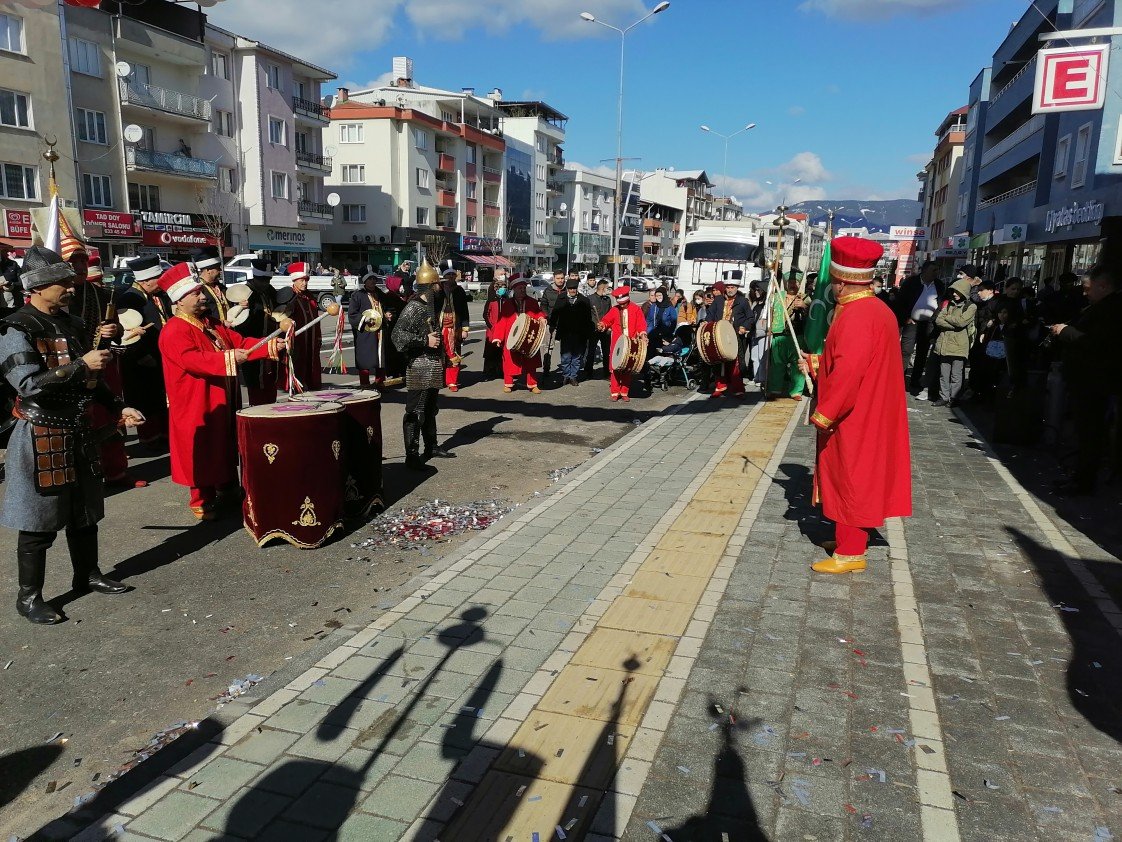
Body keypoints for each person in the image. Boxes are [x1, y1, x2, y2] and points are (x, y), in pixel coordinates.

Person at [0, 247, 143, 624]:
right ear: (39, 287)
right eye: (62, 282)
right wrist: (81, 364)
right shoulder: (15, 327)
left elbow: (92, 381)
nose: (70, 287)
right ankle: (29, 597)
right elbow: (28, 383)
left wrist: (116, 406)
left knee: (85, 512)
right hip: (40, 433)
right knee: (38, 521)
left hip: (80, 430)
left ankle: (88, 575)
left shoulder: (74, 324)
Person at [797, 236, 911, 574]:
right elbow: (853, 362)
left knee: (852, 476)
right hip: (870, 408)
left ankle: (851, 553)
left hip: (856, 414)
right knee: (854, 474)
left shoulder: (857, 315)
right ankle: (848, 539)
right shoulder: (874, 310)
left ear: (843, 282)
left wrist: (825, 411)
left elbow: (848, 373)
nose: (832, 287)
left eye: (833, 281)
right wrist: (818, 364)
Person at [158, 262, 283, 520]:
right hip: (195, 400)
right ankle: (202, 499)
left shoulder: (210, 323)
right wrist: (230, 357)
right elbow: (194, 360)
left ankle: (226, 486)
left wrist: (271, 344)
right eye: (196, 293)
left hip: (221, 395)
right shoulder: (174, 330)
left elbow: (240, 343)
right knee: (203, 447)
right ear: (179, 301)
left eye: (201, 292)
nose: (203, 296)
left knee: (224, 441)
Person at [1049, 263, 1122, 496]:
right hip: (1085, 380)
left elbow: (1096, 344)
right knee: (1084, 432)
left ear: (1103, 286)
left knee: (1090, 433)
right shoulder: (1097, 307)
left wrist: (1065, 332)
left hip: (1095, 383)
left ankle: (1084, 480)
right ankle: (1079, 475)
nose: (1084, 293)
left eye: (1088, 288)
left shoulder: (1112, 310)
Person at [391, 261, 452, 469]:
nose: (440, 287)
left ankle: (431, 446)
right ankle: (411, 455)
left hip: (433, 364)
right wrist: (425, 341)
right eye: (438, 284)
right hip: (419, 366)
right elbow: (397, 335)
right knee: (415, 411)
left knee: (430, 408)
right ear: (431, 285)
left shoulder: (430, 305)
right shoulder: (414, 307)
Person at [114, 255, 171, 451]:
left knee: (159, 397)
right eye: (158, 279)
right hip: (139, 358)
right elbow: (126, 331)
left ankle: (164, 435)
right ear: (145, 280)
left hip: (158, 354)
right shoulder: (130, 298)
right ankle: (150, 439)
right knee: (144, 399)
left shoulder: (158, 296)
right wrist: (139, 355)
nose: (161, 282)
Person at [235, 260, 285, 405]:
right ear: (255, 278)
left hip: (271, 343)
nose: (265, 283)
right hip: (252, 343)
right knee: (255, 381)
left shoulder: (269, 290)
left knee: (271, 380)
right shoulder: (245, 293)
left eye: (268, 280)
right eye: (262, 280)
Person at [895, 260, 944, 397]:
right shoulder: (911, 283)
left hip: (928, 323)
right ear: (925, 270)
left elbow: (941, 303)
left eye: (937, 270)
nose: (936, 273)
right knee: (906, 350)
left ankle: (915, 380)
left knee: (922, 353)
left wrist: (935, 318)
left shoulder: (939, 285)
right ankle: (900, 378)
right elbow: (901, 301)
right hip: (912, 322)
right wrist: (906, 318)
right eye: (933, 270)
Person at [348, 272, 399, 388]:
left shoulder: (380, 294)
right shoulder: (358, 295)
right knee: (364, 358)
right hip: (365, 332)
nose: (372, 281)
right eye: (369, 279)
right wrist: (364, 319)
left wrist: (388, 314)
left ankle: (380, 382)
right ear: (365, 281)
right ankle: (365, 384)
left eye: (374, 279)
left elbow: (388, 307)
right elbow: (352, 314)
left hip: (380, 331)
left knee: (380, 357)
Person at [931, 277, 977, 407]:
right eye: (953, 292)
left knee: (956, 375)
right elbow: (939, 320)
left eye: (958, 292)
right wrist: (954, 322)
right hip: (945, 343)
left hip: (959, 345)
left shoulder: (971, 306)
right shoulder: (949, 304)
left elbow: (962, 322)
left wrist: (948, 319)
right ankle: (943, 396)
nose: (955, 294)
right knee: (944, 374)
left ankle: (954, 397)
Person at [597, 286, 647, 402]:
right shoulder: (615, 310)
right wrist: (602, 325)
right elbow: (607, 321)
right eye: (621, 303)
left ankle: (624, 391)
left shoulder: (636, 309)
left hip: (631, 343)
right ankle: (614, 392)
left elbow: (641, 324)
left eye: (624, 303)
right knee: (615, 368)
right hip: (617, 343)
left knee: (627, 368)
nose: (623, 305)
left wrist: (643, 334)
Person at [495, 279, 546, 393]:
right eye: (520, 288)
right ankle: (508, 383)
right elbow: (502, 320)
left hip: (529, 334)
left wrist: (541, 318)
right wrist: (498, 337)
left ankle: (533, 384)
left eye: (524, 288)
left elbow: (538, 312)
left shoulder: (532, 302)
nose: (523, 290)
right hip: (511, 336)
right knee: (509, 360)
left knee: (531, 358)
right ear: (514, 290)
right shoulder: (507, 303)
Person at [706, 274, 752, 398]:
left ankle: (738, 388)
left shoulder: (742, 301)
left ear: (737, 287)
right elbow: (710, 314)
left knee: (735, 362)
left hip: (735, 335)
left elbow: (750, 317)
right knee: (718, 361)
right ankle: (720, 386)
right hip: (719, 334)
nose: (730, 289)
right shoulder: (718, 300)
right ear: (725, 288)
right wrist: (707, 323)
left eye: (733, 287)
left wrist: (744, 327)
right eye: (728, 287)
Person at [767, 275, 808, 401]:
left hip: (798, 335)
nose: (792, 284)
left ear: (800, 283)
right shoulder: (777, 295)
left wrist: (804, 307)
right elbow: (769, 312)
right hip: (779, 335)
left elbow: (814, 315)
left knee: (798, 364)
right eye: (790, 281)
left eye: (795, 281)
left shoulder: (805, 297)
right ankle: (775, 389)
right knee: (777, 364)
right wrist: (768, 325)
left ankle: (796, 391)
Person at [549, 277, 594, 386]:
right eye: (570, 288)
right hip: (565, 332)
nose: (572, 290)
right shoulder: (561, 298)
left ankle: (573, 376)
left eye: (574, 288)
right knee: (565, 355)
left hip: (579, 333)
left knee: (577, 356)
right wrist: (552, 325)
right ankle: (566, 375)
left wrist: (588, 332)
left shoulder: (584, 300)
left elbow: (588, 318)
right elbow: (555, 313)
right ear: (567, 289)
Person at [433, 261, 470, 391]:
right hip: (439, 328)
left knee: (454, 355)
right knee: (438, 355)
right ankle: (439, 379)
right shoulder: (437, 289)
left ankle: (452, 381)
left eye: (452, 275)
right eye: (448, 275)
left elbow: (464, 311)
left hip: (455, 328)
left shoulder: (459, 291)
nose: (450, 277)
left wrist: (465, 328)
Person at [286, 262, 323, 391]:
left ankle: (314, 390)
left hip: (311, 340)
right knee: (298, 368)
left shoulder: (310, 296)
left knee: (312, 368)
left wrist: (318, 337)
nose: (305, 283)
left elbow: (316, 319)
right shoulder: (288, 297)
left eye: (306, 280)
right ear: (295, 280)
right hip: (298, 341)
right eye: (301, 280)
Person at [539, 269, 567, 378]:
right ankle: (546, 369)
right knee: (548, 347)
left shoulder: (568, 290)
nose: (560, 280)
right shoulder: (548, 290)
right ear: (554, 279)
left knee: (565, 348)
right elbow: (543, 305)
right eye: (558, 278)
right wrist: (547, 316)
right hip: (551, 323)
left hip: (565, 324)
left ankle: (566, 371)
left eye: (562, 278)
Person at [584, 278, 613, 380]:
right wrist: (596, 325)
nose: (609, 290)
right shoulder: (590, 299)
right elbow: (587, 316)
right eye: (608, 288)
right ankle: (588, 372)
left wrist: (608, 326)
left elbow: (610, 314)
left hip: (605, 330)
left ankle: (607, 373)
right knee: (591, 351)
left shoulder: (607, 300)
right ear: (602, 288)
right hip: (594, 330)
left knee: (607, 352)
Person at [190, 246, 228, 322]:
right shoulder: (198, 289)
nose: (220, 270)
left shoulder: (221, 287)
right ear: (208, 270)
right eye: (217, 268)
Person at [482, 269, 506, 380]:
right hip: (493, 328)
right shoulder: (492, 293)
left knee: (501, 350)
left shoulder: (505, 299)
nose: (504, 276)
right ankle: (489, 372)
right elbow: (486, 314)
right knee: (490, 351)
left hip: (502, 327)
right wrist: (491, 326)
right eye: (502, 274)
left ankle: (500, 370)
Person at [0, 243, 21, 315]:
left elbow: (23, 282)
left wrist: (11, 285)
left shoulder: (13, 264)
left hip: (13, 306)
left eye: (2, 251)